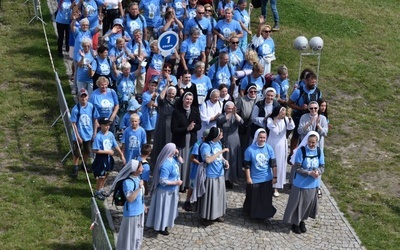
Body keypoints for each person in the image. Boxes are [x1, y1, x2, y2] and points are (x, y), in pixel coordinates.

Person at [283, 131, 325, 234]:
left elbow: (322, 166)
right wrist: (309, 173)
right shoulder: (301, 151)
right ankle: (295, 223)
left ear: (316, 142)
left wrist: (318, 172)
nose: (311, 144)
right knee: (297, 204)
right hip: (300, 183)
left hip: (312, 184)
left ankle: (302, 221)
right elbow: (297, 168)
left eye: (313, 142)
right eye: (309, 142)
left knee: (306, 204)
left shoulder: (319, 151)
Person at [146, 143, 183, 235]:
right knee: (164, 209)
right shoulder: (165, 164)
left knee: (169, 209)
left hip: (172, 190)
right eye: (174, 149)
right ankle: (161, 227)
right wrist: (176, 182)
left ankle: (166, 223)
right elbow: (163, 181)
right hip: (165, 192)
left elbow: (182, 162)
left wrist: (178, 155)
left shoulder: (173, 159)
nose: (176, 150)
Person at [109, 160, 145, 250]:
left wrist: (143, 205)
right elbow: (130, 198)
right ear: (134, 170)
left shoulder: (137, 178)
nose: (143, 168)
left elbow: (140, 196)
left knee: (137, 234)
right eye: (140, 167)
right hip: (132, 214)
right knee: (130, 236)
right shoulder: (128, 182)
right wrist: (139, 187)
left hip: (139, 211)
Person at [242, 128, 277, 223]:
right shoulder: (250, 150)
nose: (262, 139)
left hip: (266, 178)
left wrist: (275, 176)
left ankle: (266, 215)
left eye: (264, 138)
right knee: (255, 198)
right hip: (255, 179)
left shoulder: (269, 148)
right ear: (256, 137)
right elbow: (247, 166)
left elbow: (273, 164)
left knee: (266, 198)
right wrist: (248, 178)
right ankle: (254, 214)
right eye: (260, 137)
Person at [197, 127, 229, 226]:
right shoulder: (206, 146)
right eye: (220, 134)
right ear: (216, 136)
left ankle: (217, 214)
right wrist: (220, 152)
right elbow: (208, 160)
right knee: (210, 197)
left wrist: (225, 161)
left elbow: (220, 157)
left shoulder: (218, 144)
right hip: (210, 174)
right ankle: (206, 216)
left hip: (220, 173)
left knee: (219, 196)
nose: (222, 136)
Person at [171, 92, 202, 191]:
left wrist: (192, 128)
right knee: (181, 163)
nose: (189, 101)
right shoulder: (177, 111)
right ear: (183, 100)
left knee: (189, 162)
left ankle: (188, 184)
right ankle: (180, 184)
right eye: (187, 99)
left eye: (190, 99)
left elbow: (199, 125)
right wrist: (186, 128)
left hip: (191, 140)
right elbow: (174, 129)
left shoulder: (195, 110)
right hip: (181, 140)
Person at [288, 72, 322, 160]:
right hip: (299, 116)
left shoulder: (317, 91)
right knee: (296, 135)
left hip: (313, 117)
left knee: (312, 135)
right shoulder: (298, 91)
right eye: (311, 82)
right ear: (306, 81)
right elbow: (289, 103)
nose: (313, 84)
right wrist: (300, 107)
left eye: (314, 82)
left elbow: (320, 104)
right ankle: (292, 154)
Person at [92, 117, 126, 200]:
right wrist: (107, 152)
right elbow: (95, 150)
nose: (107, 127)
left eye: (108, 125)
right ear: (101, 125)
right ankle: (97, 191)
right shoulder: (98, 136)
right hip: (101, 158)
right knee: (101, 176)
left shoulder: (110, 134)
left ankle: (102, 188)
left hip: (109, 158)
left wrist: (121, 154)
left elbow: (115, 145)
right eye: (105, 125)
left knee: (107, 173)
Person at [70, 88, 99, 178]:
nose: (83, 98)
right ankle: (75, 167)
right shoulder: (76, 109)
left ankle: (84, 164)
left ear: (87, 97)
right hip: (79, 134)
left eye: (85, 96)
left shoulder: (92, 107)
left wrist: (94, 132)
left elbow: (95, 120)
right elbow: (74, 124)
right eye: (81, 96)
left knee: (87, 150)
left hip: (88, 133)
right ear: (78, 98)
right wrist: (78, 136)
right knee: (77, 153)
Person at [267, 105, 295, 197]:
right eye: (282, 112)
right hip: (273, 144)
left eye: (284, 112)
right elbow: (275, 130)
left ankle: (276, 186)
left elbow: (292, 127)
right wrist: (276, 118)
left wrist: (290, 119)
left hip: (282, 144)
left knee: (280, 164)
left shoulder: (286, 119)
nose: (283, 114)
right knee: (271, 163)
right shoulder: (270, 120)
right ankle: (268, 183)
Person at [217, 101, 244, 188]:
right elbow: (221, 121)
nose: (230, 110)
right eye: (228, 108)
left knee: (233, 159)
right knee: (226, 159)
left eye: (231, 108)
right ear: (225, 108)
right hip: (225, 140)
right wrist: (230, 114)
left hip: (235, 140)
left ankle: (232, 177)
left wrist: (235, 114)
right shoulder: (221, 116)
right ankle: (225, 178)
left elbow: (241, 122)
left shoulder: (235, 116)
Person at [183, 129, 210, 211]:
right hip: (196, 169)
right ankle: (187, 202)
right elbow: (192, 158)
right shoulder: (198, 144)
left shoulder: (207, 143)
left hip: (202, 170)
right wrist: (201, 164)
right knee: (192, 186)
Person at [152, 85, 178, 166]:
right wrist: (167, 86)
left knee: (168, 143)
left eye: (172, 94)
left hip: (171, 125)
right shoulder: (162, 101)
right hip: (161, 123)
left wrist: (179, 88)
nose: (171, 95)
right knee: (159, 143)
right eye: (169, 93)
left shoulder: (176, 102)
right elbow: (160, 97)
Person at [236, 84, 262, 155]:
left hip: (256, 125)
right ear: (247, 92)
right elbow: (236, 112)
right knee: (244, 145)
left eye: (255, 91)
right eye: (251, 91)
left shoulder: (260, 100)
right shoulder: (242, 100)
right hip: (245, 126)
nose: (253, 93)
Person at [141, 79, 159, 143]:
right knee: (147, 138)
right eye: (152, 85)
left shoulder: (158, 95)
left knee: (153, 138)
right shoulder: (145, 94)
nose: (153, 87)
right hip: (147, 119)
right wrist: (153, 98)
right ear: (148, 85)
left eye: (154, 86)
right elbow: (149, 105)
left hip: (155, 119)